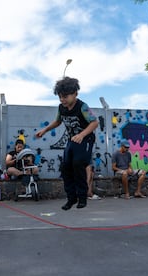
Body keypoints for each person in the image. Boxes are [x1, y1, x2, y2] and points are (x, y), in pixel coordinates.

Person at [35, 76, 98, 210]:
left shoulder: (82, 107)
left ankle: (82, 197)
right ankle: (71, 198)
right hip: (72, 140)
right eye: (60, 97)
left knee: (78, 163)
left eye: (65, 97)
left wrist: (81, 135)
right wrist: (45, 130)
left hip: (85, 139)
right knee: (65, 167)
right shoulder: (61, 108)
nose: (63, 100)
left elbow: (94, 122)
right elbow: (58, 121)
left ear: (75, 93)